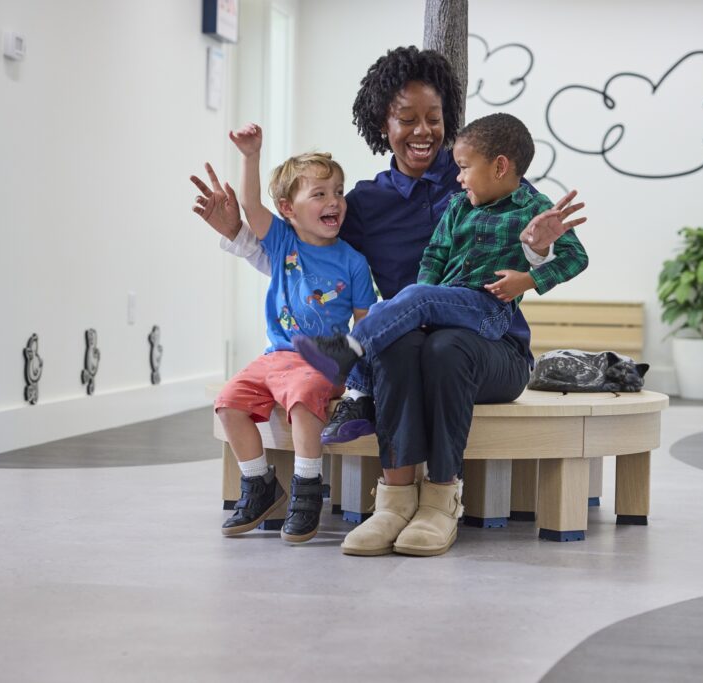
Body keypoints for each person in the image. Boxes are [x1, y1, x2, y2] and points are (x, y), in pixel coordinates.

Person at [192, 46, 586, 557]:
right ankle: (395, 502)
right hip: (403, 350)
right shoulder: (365, 203)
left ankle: (442, 498)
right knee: (400, 347)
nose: (423, 131)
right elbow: (310, 260)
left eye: (434, 119)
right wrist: (240, 237)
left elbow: (540, 241)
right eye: (407, 119)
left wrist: (539, 253)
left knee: (445, 349)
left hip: (491, 351)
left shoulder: (479, 179)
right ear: (384, 123)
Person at [292, 113, 588, 400]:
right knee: (395, 306)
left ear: (498, 167)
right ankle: (361, 387)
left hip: (488, 310)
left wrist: (528, 280)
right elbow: (434, 256)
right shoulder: (460, 206)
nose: (458, 177)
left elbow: (576, 257)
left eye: (464, 168)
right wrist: (424, 290)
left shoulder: (533, 207)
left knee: (418, 300)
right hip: (452, 301)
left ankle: (349, 351)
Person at [192, 125, 377, 543]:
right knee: (228, 402)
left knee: (302, 399)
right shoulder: (280, 242)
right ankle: (259, 485)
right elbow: (250, 205)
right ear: (287, 208)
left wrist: (355, 374)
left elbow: (366, 327)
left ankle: (307, 490)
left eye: (338, 191)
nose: (334, 201)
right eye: (320, 194)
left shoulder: (354, 263)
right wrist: (250, 156)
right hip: (274, 357)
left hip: (321, 364)